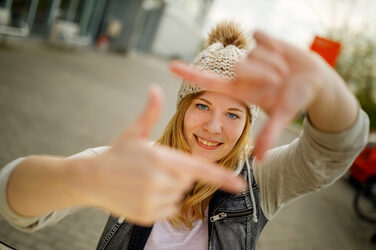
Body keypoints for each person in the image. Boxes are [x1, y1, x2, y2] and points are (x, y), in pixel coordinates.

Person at [0, 21, 369, 250]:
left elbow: (336, 147)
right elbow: (13, 202)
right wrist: (82, 180)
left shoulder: (259, 182)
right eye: (202, 106)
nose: (213, 127)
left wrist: (323, 85)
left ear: (246, 125)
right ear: (182, 109)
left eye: (233, 113)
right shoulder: (137, 164)